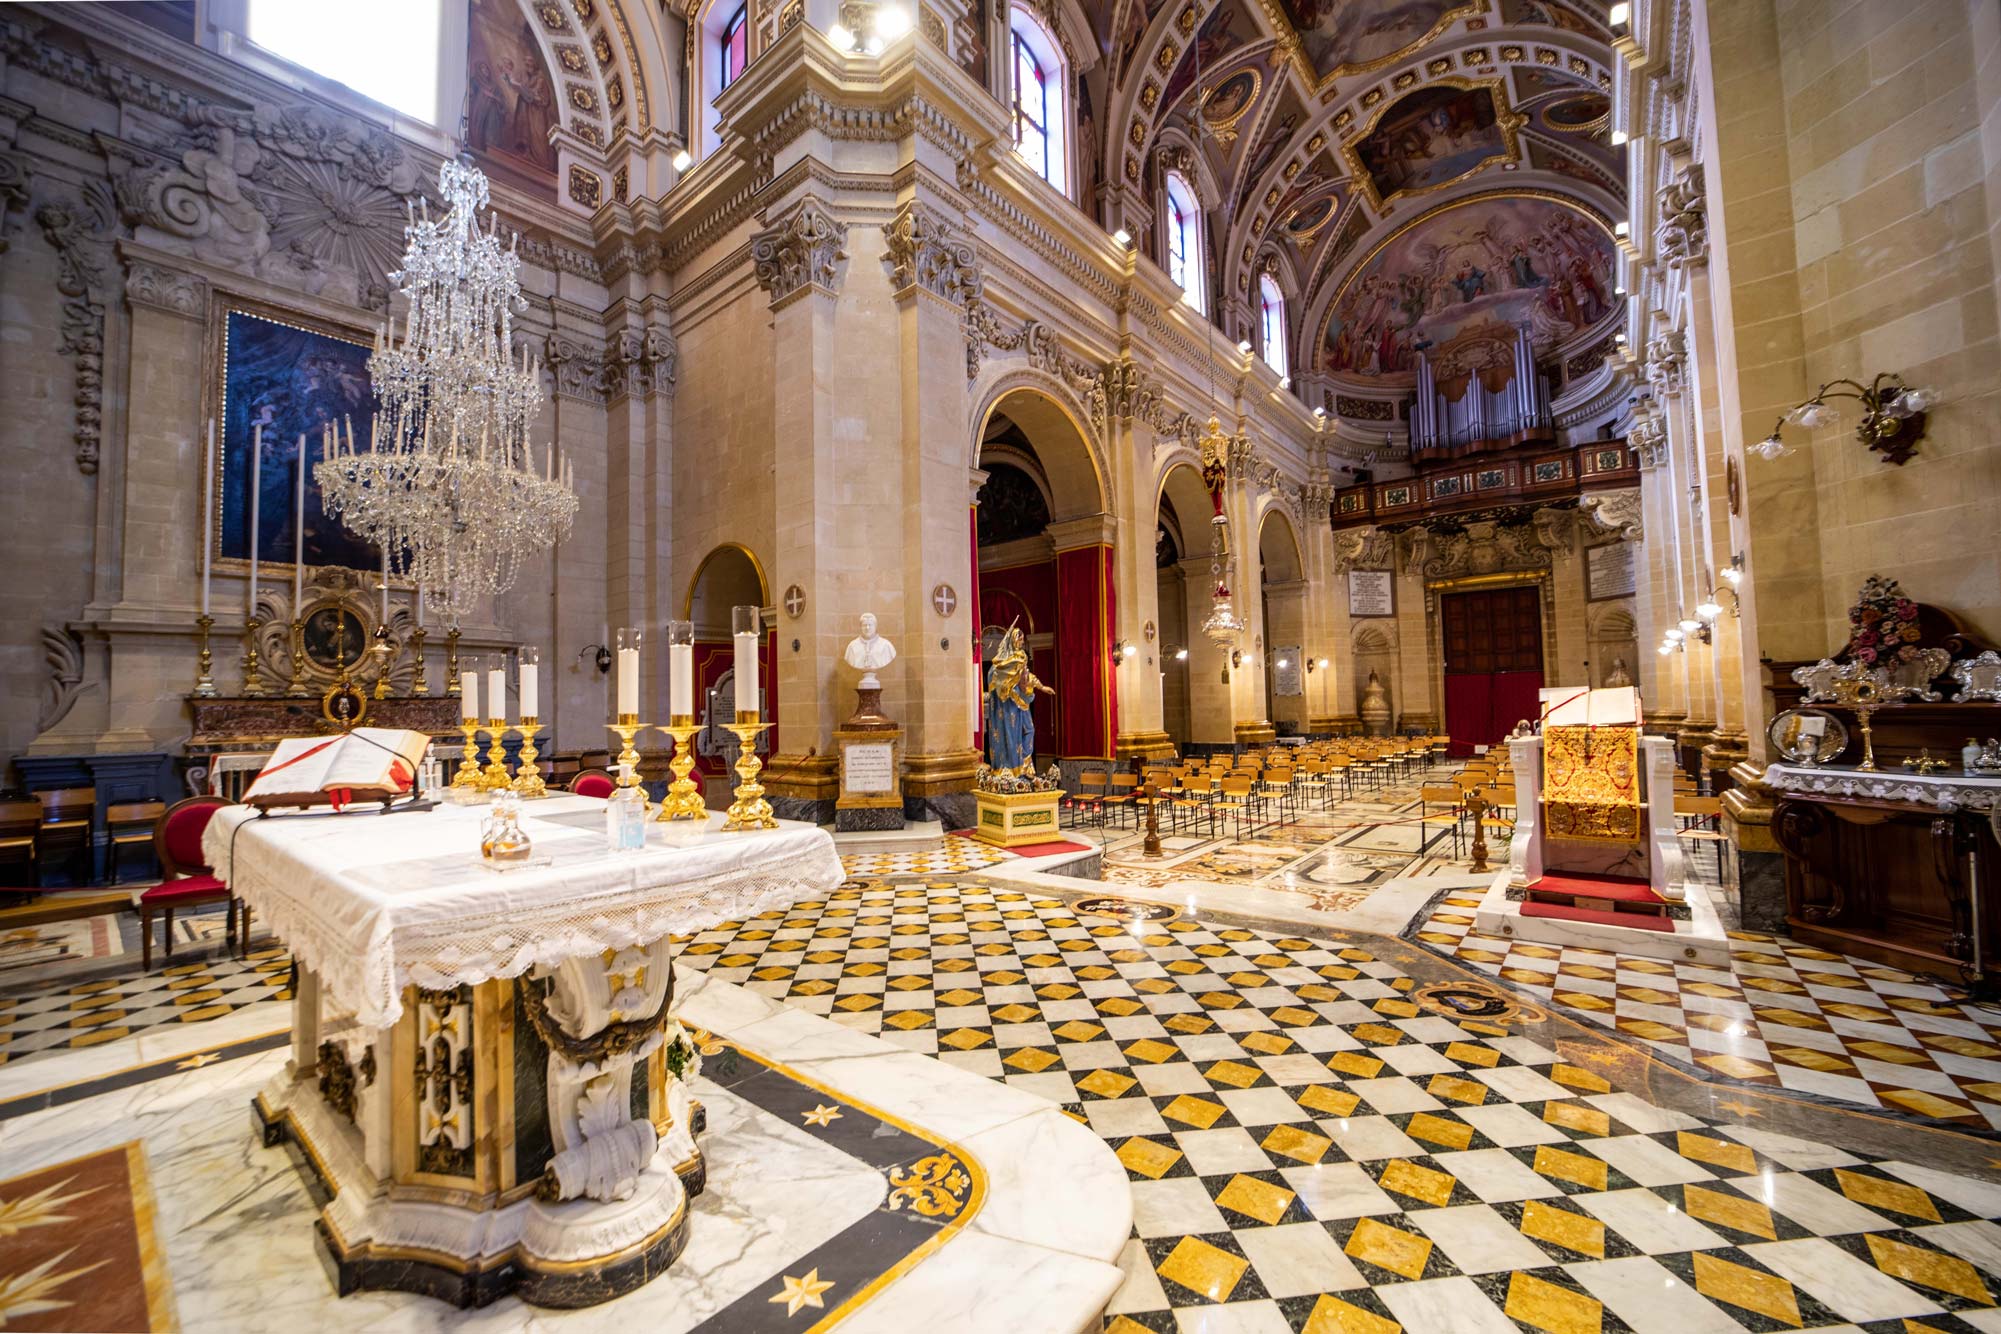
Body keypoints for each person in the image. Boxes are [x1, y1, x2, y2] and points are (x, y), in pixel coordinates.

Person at [984, 625, 1053, 776]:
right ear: (1012, 641)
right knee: (1011, 735)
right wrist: (1008, 686)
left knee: (1029, 730)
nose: (1021, 642)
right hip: (1009, 707)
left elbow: (1027, 676)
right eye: (1019, 639)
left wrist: (1042, 687)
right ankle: (1013, 769)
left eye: (1022, 640)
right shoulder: (1002, 664)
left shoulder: (1021, 657)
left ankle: (1024, 764)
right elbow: (996, 679)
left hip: (1021, 704)